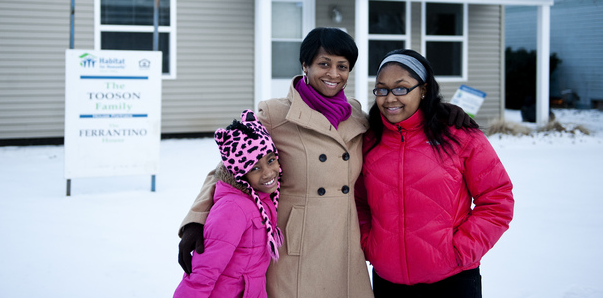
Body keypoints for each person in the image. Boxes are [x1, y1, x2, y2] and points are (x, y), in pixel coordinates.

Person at [178, 28, 472, 298]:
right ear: (305, 65)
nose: (333, 73)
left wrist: (437, 109)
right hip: (295, 248)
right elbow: (228, 168)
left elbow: (399, 121)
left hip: (344, 244)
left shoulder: (357, 117)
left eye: (342, 66)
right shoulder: (275, 115)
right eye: (324, 63)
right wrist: (196, 220)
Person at [355, 49, 514, 298]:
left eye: (401, 88)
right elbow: (358, 202)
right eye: (382, 89)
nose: (389, 98)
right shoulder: (369, 141)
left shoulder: (459, 135)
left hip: (452, 280)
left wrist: (460, 251)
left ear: (423, 89)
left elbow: (497, 199)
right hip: (389, 282)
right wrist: (371, 245)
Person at [173, 109, 283, 298]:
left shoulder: (261, 200)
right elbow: (203, 274)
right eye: (255, 168)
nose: (267, 172)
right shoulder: (233, 209)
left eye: (271, 160)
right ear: (239, 174)